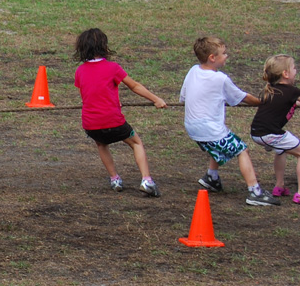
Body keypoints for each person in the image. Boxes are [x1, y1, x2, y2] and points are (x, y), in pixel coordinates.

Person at [72, 28, 166, 197]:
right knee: (135, 142)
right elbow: (134, 86)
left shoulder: (80, 71)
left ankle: (115, 179)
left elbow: (91, 92)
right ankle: (147, 180)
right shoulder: (112, 67)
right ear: (104, 46)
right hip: (113, 120)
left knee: (101, 144)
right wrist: (156, 99)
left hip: (91, 123)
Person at [180, 36, 273, 206]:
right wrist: (263, 102)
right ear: (212, 58)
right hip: (208, 129)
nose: (227, 56)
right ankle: (255, 192)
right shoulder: (220, 79)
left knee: (219, 141)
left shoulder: (193, 71)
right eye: (224, 53)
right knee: (241, 150)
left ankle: (211, 177)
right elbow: (242, 97)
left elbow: (183, 97)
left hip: (192, 127)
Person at [249, 55, 300, 204]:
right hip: (270, 133)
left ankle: (279, 186)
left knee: (281, 149)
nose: (296, 71)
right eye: (294, 68)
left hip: (257, 133)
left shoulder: (271, 90)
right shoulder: (291, 91)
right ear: (285, 74)